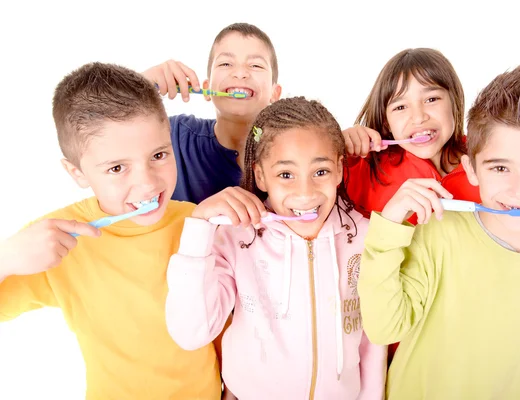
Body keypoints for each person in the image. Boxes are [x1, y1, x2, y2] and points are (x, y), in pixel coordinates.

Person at [357, 65, 520, 399]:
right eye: (501, 167)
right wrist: (390, 224)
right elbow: (383, 327)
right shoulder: (438, 232)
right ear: (471, 169)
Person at [0, 62, 221, 399]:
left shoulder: (197, 224)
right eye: (117, 167)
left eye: (159, 154)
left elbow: (224, 322)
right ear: (77, 174)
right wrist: (8, 256)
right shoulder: (57, 240)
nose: (147, 183)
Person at [165, 97, 387, 399]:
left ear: (338, 170)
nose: (305, 192)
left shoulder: (366, 237)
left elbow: (373, 339)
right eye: (286, 175)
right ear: (260, 176)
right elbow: (191, 334)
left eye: (320, 171)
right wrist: (199, 228)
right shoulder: (235, 239)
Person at [143, 22, 282, 204]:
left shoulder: (292, 151)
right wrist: (139, 87)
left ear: (275, 93)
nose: (240, 73)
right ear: (207, 88)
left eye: (255, 66)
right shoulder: (173, 134)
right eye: (226, 63)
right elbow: (104, 140)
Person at [343, 48, 480, 221]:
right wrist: (337, 146)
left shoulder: (487, 158)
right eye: (400, 107)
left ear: (455, 102)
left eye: (431, 99)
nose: (418, 117)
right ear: (387, 122)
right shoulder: (364, 170)